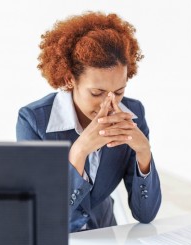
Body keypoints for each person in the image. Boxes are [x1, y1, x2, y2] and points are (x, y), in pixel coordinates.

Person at [16, 11, 161, 232]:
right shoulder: (34, 121)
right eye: (97, 92)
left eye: (119, 91)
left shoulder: (133, 113)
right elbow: (44, 217)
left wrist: (143, 153)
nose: (109, 104)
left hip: (105, 238)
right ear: (69, 79)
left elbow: (145, 215)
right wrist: (79, 152)